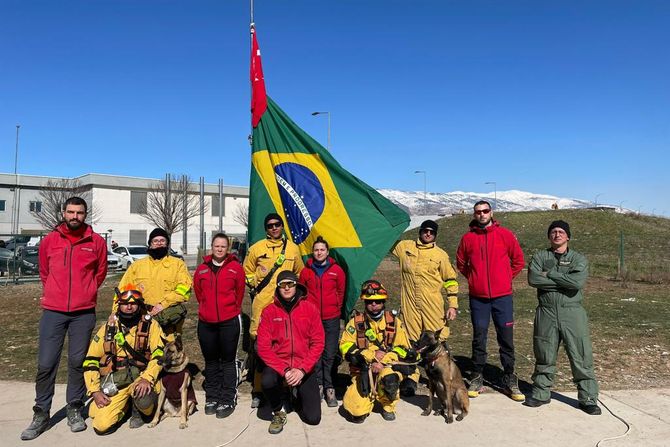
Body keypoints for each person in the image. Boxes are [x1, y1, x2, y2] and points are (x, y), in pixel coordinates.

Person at [21, 197, 108, 441]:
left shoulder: (97, 242)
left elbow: (100, 273)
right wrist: (54, 293)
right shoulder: (50, 240)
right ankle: (41, 412)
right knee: (46, 363)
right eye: (70, 212)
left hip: (83, 312)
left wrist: (87, 291)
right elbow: (44, 271)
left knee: (78, 362)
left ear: (85, 214)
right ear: (63, 212)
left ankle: (74, 408)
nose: (74, 216)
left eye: (79, 213)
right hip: (54, 311)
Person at [525, 220, 601, 415]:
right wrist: (563, 280)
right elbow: (534, 279)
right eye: (553, 232)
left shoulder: (578, 258)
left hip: (572, 312)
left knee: (581, 355)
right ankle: (541, 393)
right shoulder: (541, 256)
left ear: (568, 236)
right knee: (544, 353)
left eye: (561, 232)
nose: (557, 234)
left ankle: (588, 398)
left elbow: (576, 283)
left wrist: (549, 274)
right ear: (549, 236)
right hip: (546, 311)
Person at [456, 200, 525, 401]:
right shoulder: (468, 238)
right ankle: (477, 376)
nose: (482, 214)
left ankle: (510, 377)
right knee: (479, 337)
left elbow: (518, 261)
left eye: (485, 211)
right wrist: (474, 279)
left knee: (506, 337)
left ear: (491, 213)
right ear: (474, 214)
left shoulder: (505, 235)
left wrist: (504, 278)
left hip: (502, 297)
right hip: (479, 299)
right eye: (478, 212)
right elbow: (461, 263)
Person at [83, 286, 166, 434]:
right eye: (124, 303)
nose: (129, 307)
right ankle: (125, 409)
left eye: (133, 303)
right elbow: (90, 359)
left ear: (139, 305)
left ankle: (140, 410)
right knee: (99, 423)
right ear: (118, 305)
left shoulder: (151, 325)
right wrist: (95, 390)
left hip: (142, 377)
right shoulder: (109, 327)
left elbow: (159, 354)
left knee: (145, 402)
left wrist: (147, 378)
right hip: (118, 380)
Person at [391, 219, 459, 397]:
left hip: (432, 304)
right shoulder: (405, 247)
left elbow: (450, 280)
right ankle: (410, 378)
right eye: (425, 230)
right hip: (410, 304)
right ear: (420, 231)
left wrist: (452, 304)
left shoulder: (440, 255)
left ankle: (444, 380)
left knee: (437, 341)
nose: (428, 234)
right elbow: (387, 241)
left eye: (432, 232)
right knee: (411, 342)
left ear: (435, 235)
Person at [243, 213, 304, 407]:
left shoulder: (293, 249)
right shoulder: (256, 249)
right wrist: (255, 282)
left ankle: (285, 388)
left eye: (277, 224)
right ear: (266, 229)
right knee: (260, 348)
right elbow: (247, 271)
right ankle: (259, 390)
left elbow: (300, 272)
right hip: (263, 305)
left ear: (282, 226)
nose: (274, 228)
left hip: (285, 307)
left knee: (285, 345)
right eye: (270, 226)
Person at [256, 271, 325, 434]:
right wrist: (285, 370)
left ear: (297, 285)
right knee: (266, 384)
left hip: (303, 366)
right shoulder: (268, 312)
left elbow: (318, 343)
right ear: (278, 288)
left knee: (313, 418)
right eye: (282, 285)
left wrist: (302, 370)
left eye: (290, 284)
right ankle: (278, 408)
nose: (286, 288)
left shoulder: (310, 309)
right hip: (279, 365)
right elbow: (263, 347)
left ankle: (294, 396)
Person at [339, 280, 417, 423]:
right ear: (365, 303)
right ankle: (368, 398)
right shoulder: (356, 323)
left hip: (387, 367)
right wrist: (371, 356)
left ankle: (388, 405)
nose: (373, 305)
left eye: (378, 301)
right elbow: (345, 346)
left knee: (390, 379)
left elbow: (404, 349)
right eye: (369, 302)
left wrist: (383, 361)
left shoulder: (394, 322)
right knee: (356, 412)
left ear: (383, 302)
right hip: (363, 371)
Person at [193, 233, 246, 418]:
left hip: (228, 321)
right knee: (211, 361)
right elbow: (199, 294)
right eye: (217, 246)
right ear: (212, 247)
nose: (220, 249)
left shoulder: (235, 268)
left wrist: (229, 310)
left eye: (223, 246)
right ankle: (212, 396)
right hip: (206, 323)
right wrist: (208, 310)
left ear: (228, 248)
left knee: (228, 361)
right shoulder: (201, 269)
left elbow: (239, 293)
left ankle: (227, 397)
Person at [115, 228, 192, 337]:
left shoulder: (178, 264)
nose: (159, 243)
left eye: (162, 240)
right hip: (141, 320)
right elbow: (122, 291)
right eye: (155, 241)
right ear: (150, 244)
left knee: (170, 352)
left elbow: (184, 289)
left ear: (167, 244)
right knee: (142, 351)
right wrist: (114, 313)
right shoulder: (137, 266)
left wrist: (163, 305)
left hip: (169, 320)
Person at [298, 236, 345, 407]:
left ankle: (330, 387)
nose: (319, 252)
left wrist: (335, 309)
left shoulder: (336, 270)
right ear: (313, 252)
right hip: (313, 319)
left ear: (327, 252)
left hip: (331, 318)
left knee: (330, 353)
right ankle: (318, 385)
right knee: (315, 353)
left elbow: (340, 292)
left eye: (322, 250)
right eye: (316, 250)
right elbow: (301, 292)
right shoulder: (306, 271)